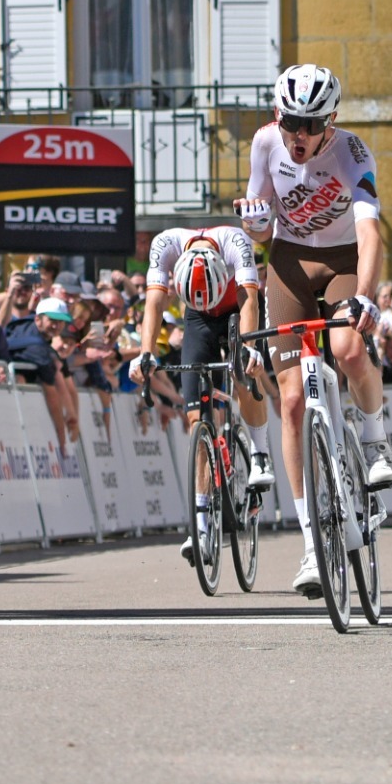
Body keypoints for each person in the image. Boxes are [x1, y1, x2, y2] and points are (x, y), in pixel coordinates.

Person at [234, 63, 392, 598]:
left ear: (330, 121)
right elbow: (259, 226)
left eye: (310, 125)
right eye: (289, 123)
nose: (298, 137)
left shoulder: (352, 153)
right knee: (291, 402)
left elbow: (371, 233)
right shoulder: (264, 144)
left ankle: (374, 442)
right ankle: (310, 544)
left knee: (349, 348)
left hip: (345, 256)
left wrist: (365, 297)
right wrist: (255, 224)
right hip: (288, 261)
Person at [128, 226, 276, 567]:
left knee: (242, 373)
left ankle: (260, 454)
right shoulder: (164, 244)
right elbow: (153, 303)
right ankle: (202, 524)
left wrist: (250, 349)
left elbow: (251, 299)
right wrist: (145, 353)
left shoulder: (236, 242)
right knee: (197, 418)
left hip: (238, 308)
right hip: (198, 316)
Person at [5, 294, 80, 450]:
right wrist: (62, 440)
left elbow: (66, 381)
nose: (57, 325)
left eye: (61, 321)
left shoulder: (25, 326)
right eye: (52, 320)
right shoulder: (38, 349)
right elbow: (52, 395)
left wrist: (73, 417)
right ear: (38, 319)